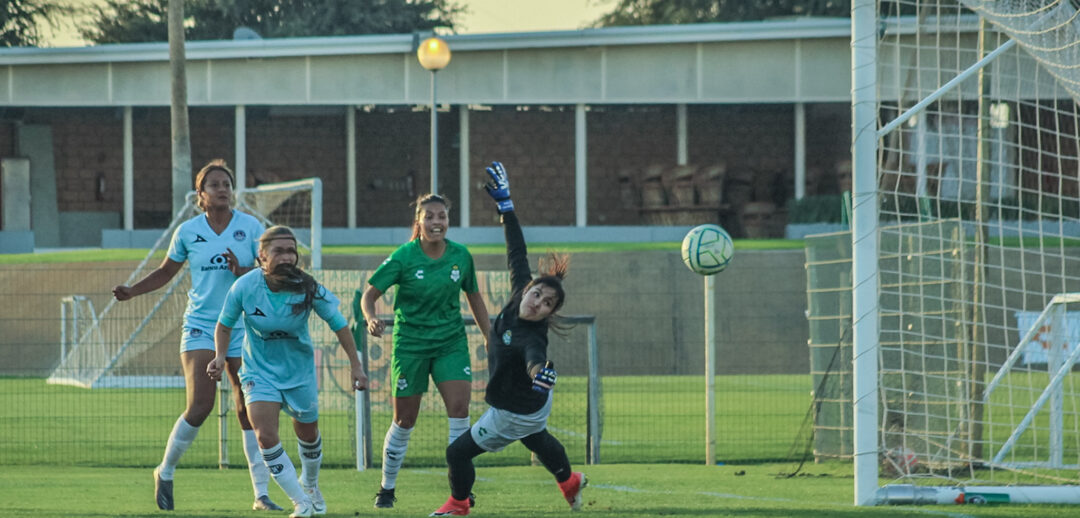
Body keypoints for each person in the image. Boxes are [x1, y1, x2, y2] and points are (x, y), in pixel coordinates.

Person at [111, 159, 281, 511]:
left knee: (248, 407)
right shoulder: (188, 231)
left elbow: (273, 270)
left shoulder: (250, 227)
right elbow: (165, 273)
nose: (222, 189)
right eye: (214, 184)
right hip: (202, 325)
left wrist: (244, 269)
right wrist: (132, 290)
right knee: (200, 405)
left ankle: (261, 495)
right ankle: (166, 470)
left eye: (227, 184)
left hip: (242, 327)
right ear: (201, 196)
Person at [429, 162, 586, 517]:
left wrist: (540, 373)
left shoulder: (532, 335)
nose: (538, 303)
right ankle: (568, 481)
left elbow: (535, 357)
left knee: (457, 453)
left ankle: (458, 504)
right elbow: (517, 250)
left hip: (516, 408)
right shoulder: (519, 293)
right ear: (527, 288)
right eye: (538, 295)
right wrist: (506, 207)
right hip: (530, 406)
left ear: (549, 313)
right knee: (536, 438)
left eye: (548, 304)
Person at [207, 225, 368, 518]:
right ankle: (301, 502)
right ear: (262, 256)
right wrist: (219, 356)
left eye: (291, 250)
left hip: (299, 373)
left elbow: (340, 325)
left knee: (307, 434)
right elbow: (224, 324)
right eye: (278, 250)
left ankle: (310, 484)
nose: (286, 256)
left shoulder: (308, 287)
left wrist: (356, 366)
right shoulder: (245, 286)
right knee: (265, 434)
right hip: (258, 370)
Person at [361, 193, 491, 509]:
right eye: (430, 216)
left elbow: (474, 298)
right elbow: (369, 295)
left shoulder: (461, 255)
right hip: (411, 345)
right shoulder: (404, 257)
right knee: (405, 420)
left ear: (448, 220)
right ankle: (387, 488)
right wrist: (371, 317)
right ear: (419, 221)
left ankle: (460, 492)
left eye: (442, 216)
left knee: (460, 411)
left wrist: (490, 337)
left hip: (451, 343)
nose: (436, 222)